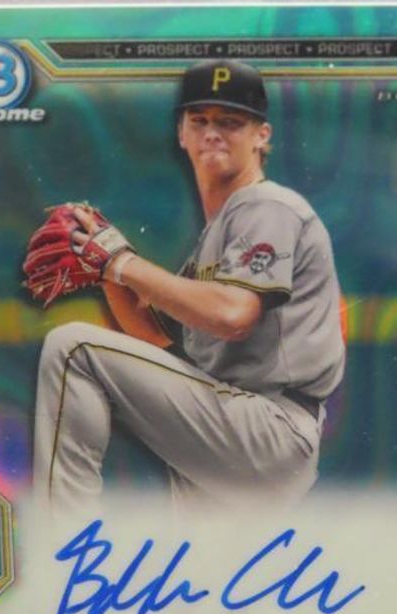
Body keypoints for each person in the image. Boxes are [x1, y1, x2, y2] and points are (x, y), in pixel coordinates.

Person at [33, 59, 345, 522]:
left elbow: (233, 315)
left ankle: (64, 544)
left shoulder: (268, 205)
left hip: (270, 427)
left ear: (262, 136)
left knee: (73, 349)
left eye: (230, 121)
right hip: (230, 432)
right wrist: (107, 272)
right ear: (181, 133)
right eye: (199, 120)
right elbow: (155, 342)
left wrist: (121, 261)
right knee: (201, 564)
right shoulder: (212, 242)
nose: (212, 132)